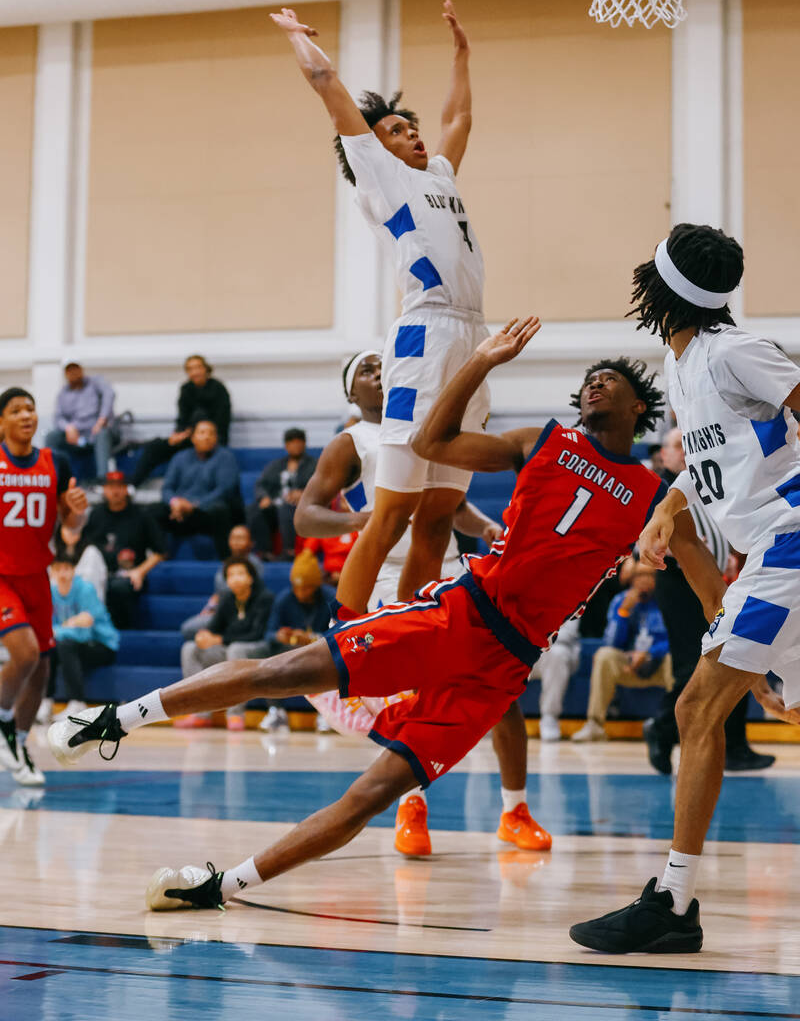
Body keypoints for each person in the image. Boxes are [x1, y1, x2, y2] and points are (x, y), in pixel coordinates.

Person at [49, 316, 725, 914]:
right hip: (460, 610)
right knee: (283, 670)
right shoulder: (541, 440)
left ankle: (221, 886)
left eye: (610, 380)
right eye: (590, 380)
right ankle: (113, 718)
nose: (595, 385)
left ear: (641, 405)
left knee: (373, 793)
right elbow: (433, 442)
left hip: (505, 662)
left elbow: (710, 594)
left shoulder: (654, 497)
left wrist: (742, 655)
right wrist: (481, 361)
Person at [569, 223, 800, 955]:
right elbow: (710, 470)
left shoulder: (735, 350)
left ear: (662, 289)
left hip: (790, 541)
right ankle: (673, 901)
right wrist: (669, 510)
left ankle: (672, 901)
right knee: (783, 704)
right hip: (764, 552)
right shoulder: (685, 368)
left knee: (697, 707)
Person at [271, 1, 489, 616]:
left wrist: (462, 54)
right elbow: (324, 84)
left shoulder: (440, 174)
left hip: (472, 339)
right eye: (395, 130)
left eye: (410, 127)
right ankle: (348, 636)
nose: (411, 134)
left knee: (439, 515)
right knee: (394, 508)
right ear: (374, 148)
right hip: (427, 334)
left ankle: (410, 628)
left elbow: (460, 115)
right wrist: (294, 36)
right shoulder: (380, 175)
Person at [296, 349, 542, 856]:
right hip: (387, 577)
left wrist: (487, 527)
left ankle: (515, 810)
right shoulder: (351, 442)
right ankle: (411, 809)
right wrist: (359, 522)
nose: (381, 374)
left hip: (453, 575)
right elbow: (305, 516)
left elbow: (456, 508)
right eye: (367, 370)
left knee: (503, 690)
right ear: (351, 392)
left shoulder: (425, 429)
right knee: (410, 700)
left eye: (385, 365)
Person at [643, 427, 773, 774]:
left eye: (685, 445)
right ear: (663, 456)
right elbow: (648, 545)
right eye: (675, 446)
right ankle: (662, 727)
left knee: (734, 654)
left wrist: (728, 558)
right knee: (694, 665)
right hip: (677, 581)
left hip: (716, 579)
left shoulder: (708, 484)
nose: (683, 452)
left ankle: (736, 747)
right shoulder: (659, 492)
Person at [0, 386, 87, 787]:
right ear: (2, 421)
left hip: (36, 575)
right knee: (25, 653)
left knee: (42, 668)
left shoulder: (57, 461)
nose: (25, 415)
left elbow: (69, 532)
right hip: (1, 576)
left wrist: (78, 514)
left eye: (31, 409)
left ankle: (17, 743)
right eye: (16, 410)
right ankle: (2, 724)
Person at [571, 560, 672, 742]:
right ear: (631, 579)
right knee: (604, 656)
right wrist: (624, 613)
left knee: (675, 661)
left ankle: (677, 728)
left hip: (659, 664)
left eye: (648, 575)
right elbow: (611, 643)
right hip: (628, 665)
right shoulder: (620, 601)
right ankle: (595, 725)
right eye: (639, 575)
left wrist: (650, 654)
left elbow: (675, 639)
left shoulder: (666, 601)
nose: (643, 580)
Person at [177, 557, 274, 732]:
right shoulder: (227, 598)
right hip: (231, 651)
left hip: (259, 653)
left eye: (240, 573)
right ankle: (200, 713)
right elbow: (214, 627)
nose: (235, 578)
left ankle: (235, 714)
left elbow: (256, 633)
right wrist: (204, 636)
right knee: (190, 648)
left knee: (236, 649)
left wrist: (220, 640)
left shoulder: (264, 597)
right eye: (231, 575)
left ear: (251, 577)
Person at [259, 550, 335, 732]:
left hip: (323, 651)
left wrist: (313, 638)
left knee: (337, 656)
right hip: (291, 651)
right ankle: (276, 711)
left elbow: (341, 633)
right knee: (270, 654)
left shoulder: (331, 597)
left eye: (306, 587)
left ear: (316, 585)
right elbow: (269, 633)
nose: (300, 592)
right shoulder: (284, 598)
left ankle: (326, 714)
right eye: (296, 586)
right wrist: (279, 635)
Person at [82, 471, 167, 629]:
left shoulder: (141, 515)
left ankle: (122, 634)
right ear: (104, 490)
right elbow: (85, 545)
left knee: (119, 589)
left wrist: (140, 571)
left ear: (127, 490)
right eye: (111, 487)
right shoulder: (96, 514)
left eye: (120, 487)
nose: (115, 491)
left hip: (129, 575)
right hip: (98, 572)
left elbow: (160, 551)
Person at [132, 356, 232, 488]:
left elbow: (221, 423)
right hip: (189, 438)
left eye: (198, 367)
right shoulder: (186, 389)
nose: (195, 372)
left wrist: (196, 433)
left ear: (206, 369)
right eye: (190, 369)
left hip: (212, 439)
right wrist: (178, 434)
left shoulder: (219, 389)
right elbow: (182, 419)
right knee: (155, 446)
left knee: (200, 419)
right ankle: (132, 484)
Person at [151, 419, 242, 558]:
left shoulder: (226, 457)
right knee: (152, 511)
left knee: (220, 510)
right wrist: (175, 502)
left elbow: (224, 490)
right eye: (202, 433)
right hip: (180, 512)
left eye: (211, 433)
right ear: (193, 438)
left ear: (216, 438)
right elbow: (167, 487)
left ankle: (226, 561)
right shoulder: (179, 457)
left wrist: (194, 505)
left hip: (206, 513)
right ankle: (160, 556)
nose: (207, 437)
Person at [44, 555, 119, 717]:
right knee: (49, 646)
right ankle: (46, 700)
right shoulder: (50, 592)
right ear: (52, 572)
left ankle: (77, 702)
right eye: (58, 569)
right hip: (71, 643)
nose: (62, 574)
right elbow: (47, 628)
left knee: (64, 644)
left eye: (66, 569)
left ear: (73, 570)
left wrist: (60, 630)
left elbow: (85, 633)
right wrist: (68, 625)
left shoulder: (85, 589)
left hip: (102, 644)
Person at [181, 525, 265, 640]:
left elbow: (253, 592)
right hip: (221, 611)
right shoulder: (226, 563)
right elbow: (217, 594)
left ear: (251, 543)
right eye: (233, 538)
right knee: (189, 629)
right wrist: (208, 609)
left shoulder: (254, 565)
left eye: (241, 538)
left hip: (241, 611)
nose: (236, 542)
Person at [247, 428, 317, 559]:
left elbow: (322, 486)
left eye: (299, 442)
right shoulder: (276, 465)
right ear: (286, 445)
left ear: (304, 444)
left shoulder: (314, 464)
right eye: (292, 442)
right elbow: (261, 484)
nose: (295, 446)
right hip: (275, 504)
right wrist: (264, 497)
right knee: (254, 509)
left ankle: (289, 551)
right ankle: (264, 552)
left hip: (300, 507)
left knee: (286, 508)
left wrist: (304, 494)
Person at [45, 362, 116, 481]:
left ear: (81, 370)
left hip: (94, 431)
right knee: (52, 436)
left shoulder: (95, 383)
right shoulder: (63, 394)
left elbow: (110, 394)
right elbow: (58, 418)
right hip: (74, 435)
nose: (73, 373)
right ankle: (52, 477)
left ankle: (102, 480)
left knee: (102, 434)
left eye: (75, 369)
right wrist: (68, 428)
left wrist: (101, 419)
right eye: (69, 370)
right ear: (65, 374)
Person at [531, 613, 581, 742]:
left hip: (556, 648)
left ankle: (550, 717)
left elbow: (566, 635)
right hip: (524, 647)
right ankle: (489, 717)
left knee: (557, 654)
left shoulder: (569, 594)